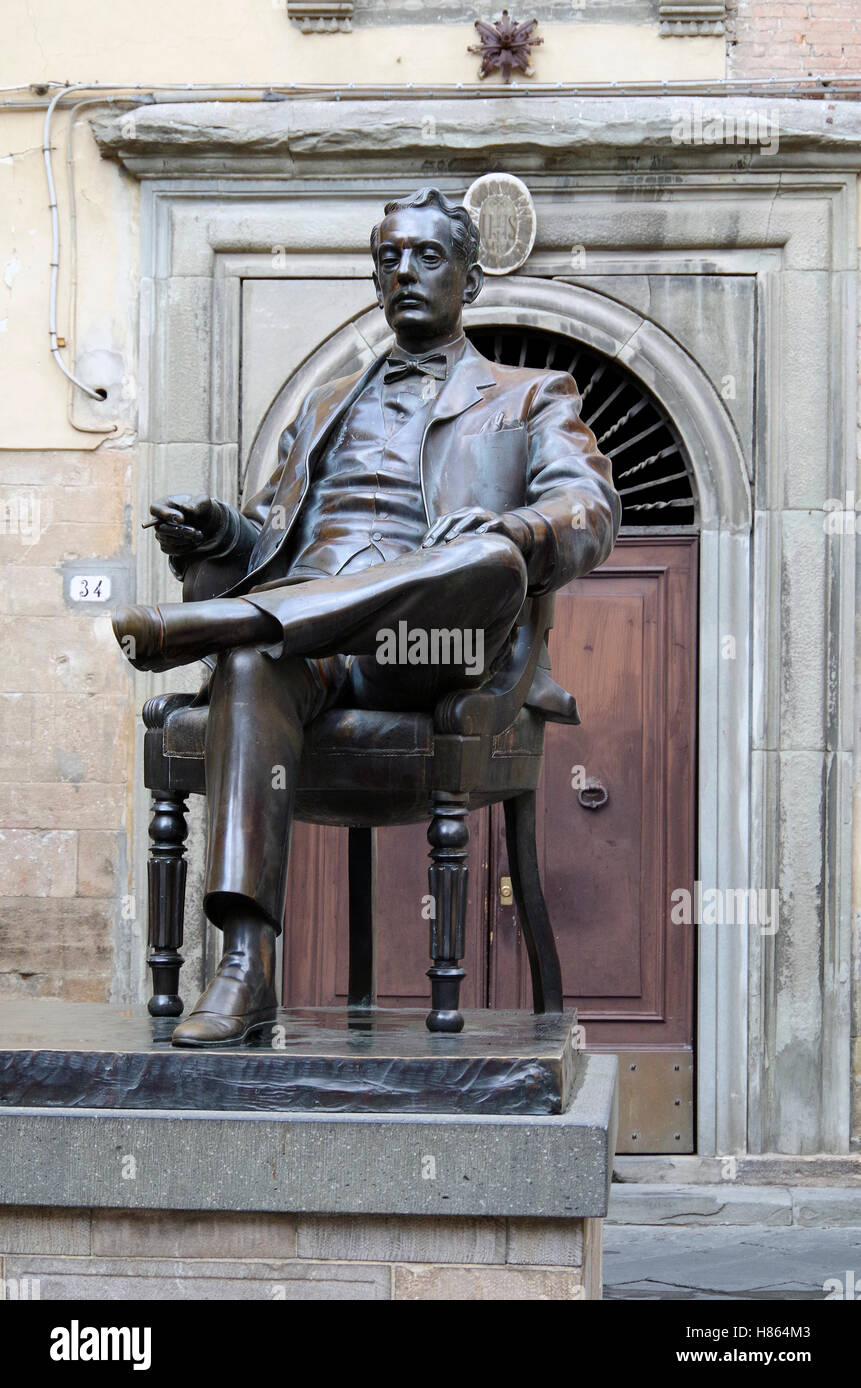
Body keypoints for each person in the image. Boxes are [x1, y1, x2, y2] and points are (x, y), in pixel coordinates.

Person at [112, 187, 621, 1045]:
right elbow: (271, 540)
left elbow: (590, 512)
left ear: (471, 277)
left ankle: (241, 622)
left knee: (484, 559)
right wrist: (216, 535)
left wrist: (511, 526)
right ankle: (246, 967)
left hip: (425, 643)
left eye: (427, 257)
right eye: (388, 258)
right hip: (308, 646)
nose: (404, 273)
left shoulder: (530, 396)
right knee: (251, 658)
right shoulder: (320, 405)